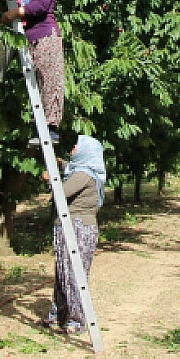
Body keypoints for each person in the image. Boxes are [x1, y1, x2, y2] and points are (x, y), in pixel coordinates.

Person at [0, 0, 64, 146]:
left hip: (46, 37)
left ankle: (51, 128)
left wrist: (15, 12)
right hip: (31, 41)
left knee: (50, 81)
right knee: (37, 83)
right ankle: (41, 126)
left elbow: (40, 6)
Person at [48, 133, 105, 334]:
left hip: (76, 227)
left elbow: (60, 191)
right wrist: (60, 163)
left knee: (72, 273)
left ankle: (76, 319)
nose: (72, 150)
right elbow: (71, 170)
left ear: (85, 152)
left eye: (75, 147)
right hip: (75, 225)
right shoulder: (84, 170)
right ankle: (60, 316)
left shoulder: (83, 175)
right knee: (64, 271)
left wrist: (50, 178)